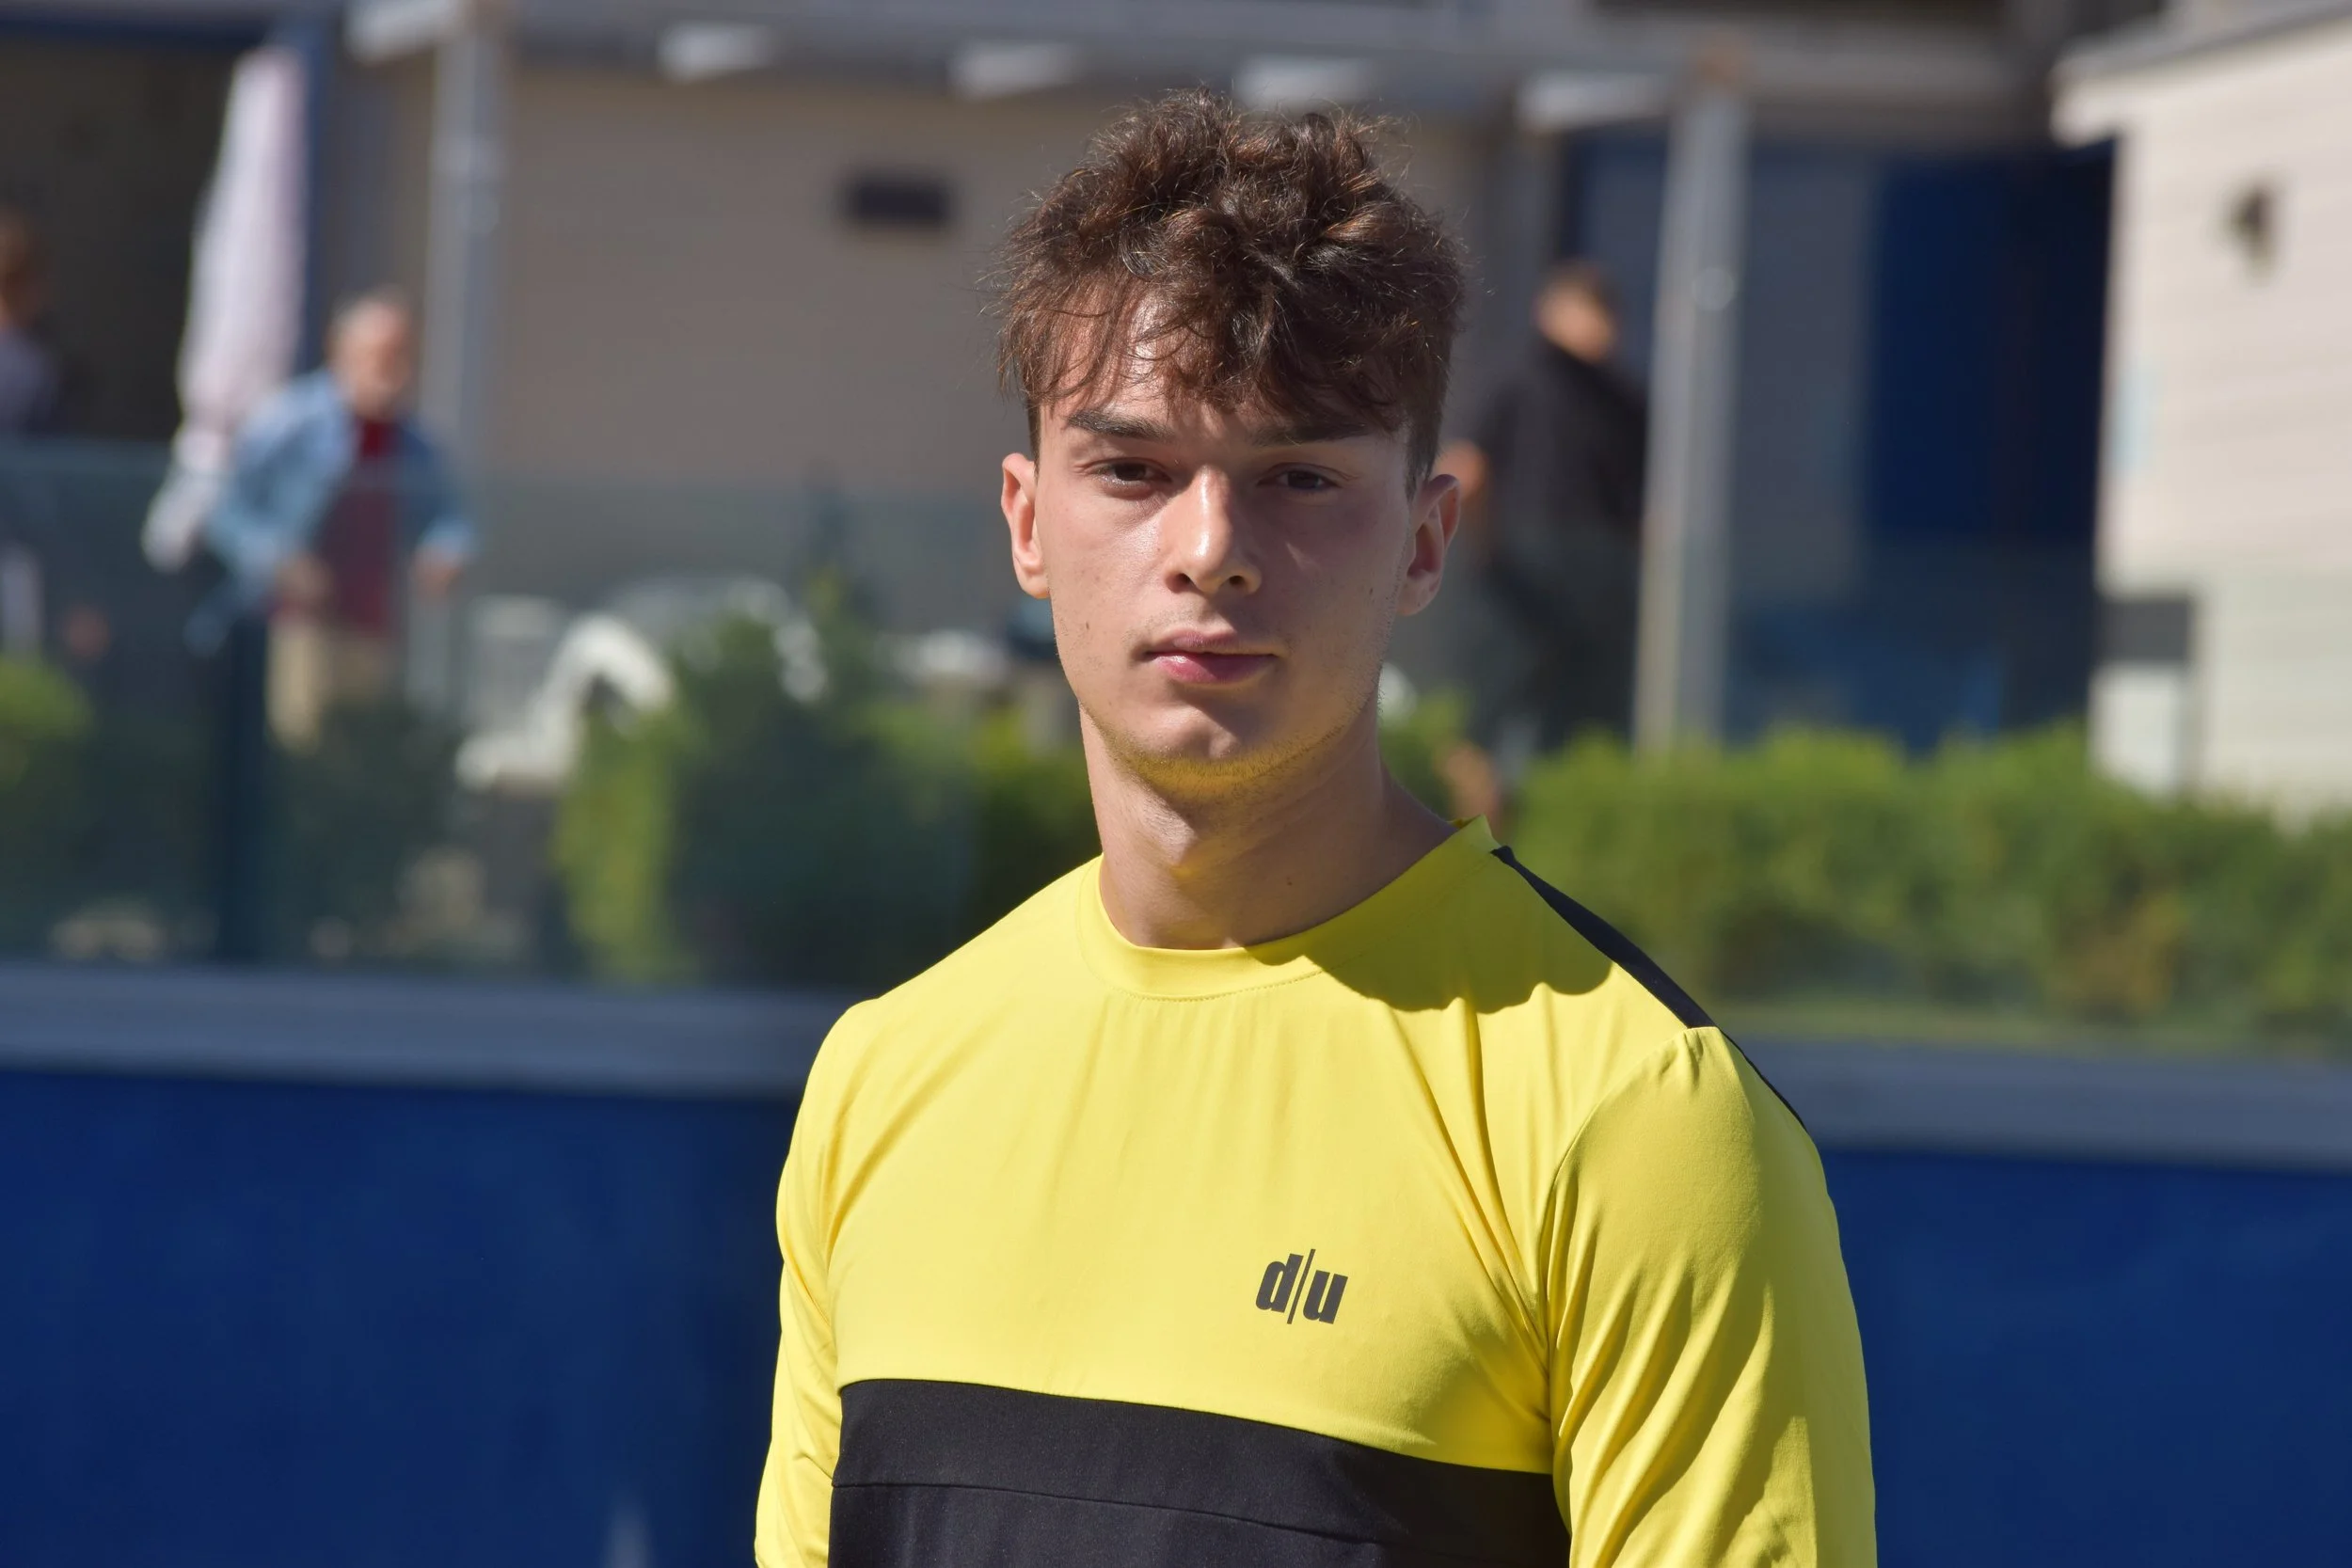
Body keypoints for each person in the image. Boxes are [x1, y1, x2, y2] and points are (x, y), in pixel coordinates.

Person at [755, 94, 1873, 1568]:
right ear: (1027, 523)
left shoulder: (1640, 1121)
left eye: (1298, 477)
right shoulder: (880, 1084)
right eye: (1134, 469)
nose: (1210, 547)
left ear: (1423, 538)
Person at [204, 287, 472, 746]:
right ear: (342, 352)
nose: (392, 372)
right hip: (298, 622)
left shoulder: (412, 443)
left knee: (360, 749)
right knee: (301, 744)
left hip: (374, 625)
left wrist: (444, 552)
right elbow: (225, 511)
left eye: (401, 356)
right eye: (379, 356)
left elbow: (448, 517)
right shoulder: (291, 421)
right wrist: (279, 560)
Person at [1440, 261, 1649, 818]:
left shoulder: (1523, 378)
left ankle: (1482, 844)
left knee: (1497, 722)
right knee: (1565, 725)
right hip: (1573, 564)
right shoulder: (1612, 393)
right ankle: (1528, 837)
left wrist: (1480, 548)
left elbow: (1466, 472)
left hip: (1547, 562)